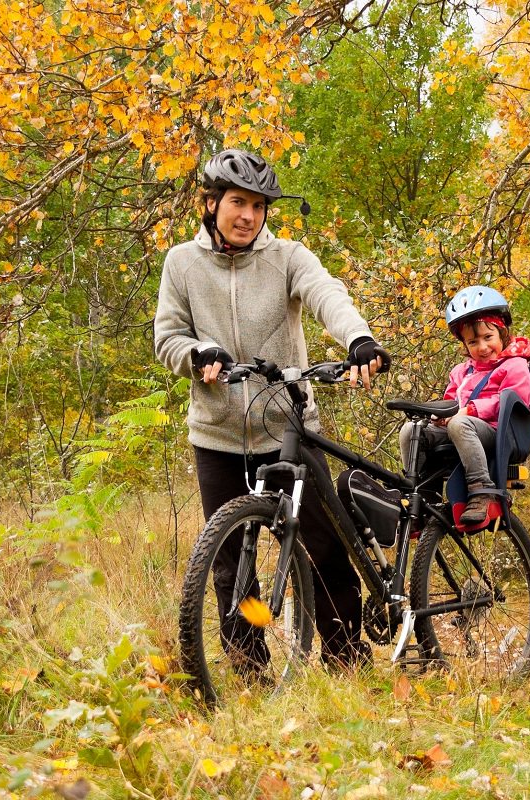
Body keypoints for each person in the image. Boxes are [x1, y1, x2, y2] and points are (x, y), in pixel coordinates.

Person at [154, 148, 391, 670]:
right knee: (228, 559)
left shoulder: (287, 256)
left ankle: (346, 659)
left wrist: (359, 339)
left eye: (259, 206)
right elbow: (168, 337)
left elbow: (327, 293)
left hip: (289, 428)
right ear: (211, 204)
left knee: (324, 547)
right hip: (218, 435)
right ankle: (249, 668)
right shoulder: (182, 264)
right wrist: (198, 355)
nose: (248, 216)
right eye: (238, 202)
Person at [398, 286, 530, 526]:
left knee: (460, 423)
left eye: (488, 337)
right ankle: (423, 495)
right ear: (465, 345)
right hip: (460, 428)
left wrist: (470, 411)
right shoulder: (461, 372)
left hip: (498, 432)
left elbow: (514, 402)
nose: (482, 347)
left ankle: (482, 491)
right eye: (473, 341)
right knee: (412, 429)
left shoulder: (514, 366)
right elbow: (451, 400)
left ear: (502, 334)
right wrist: (438, 417)